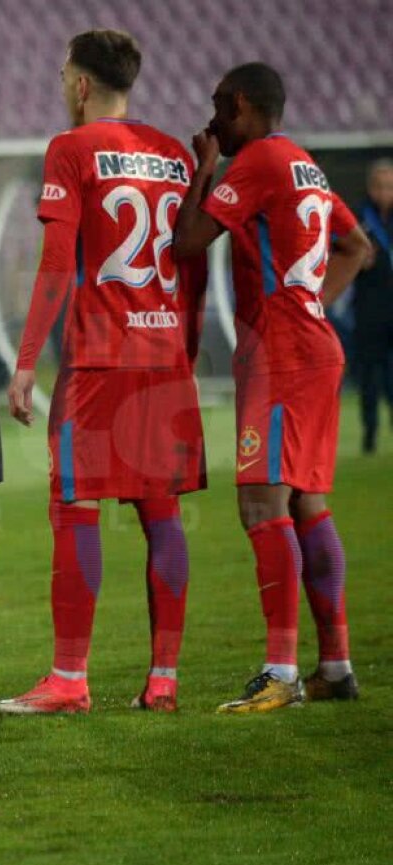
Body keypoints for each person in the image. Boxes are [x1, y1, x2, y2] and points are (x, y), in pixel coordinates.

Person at [0, 31, 207, 716]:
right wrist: (186, 351)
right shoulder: (175, 155)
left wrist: (26, 364)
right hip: (165, 357)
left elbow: (57, 263)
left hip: (99, 360)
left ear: (81, 84)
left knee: (74, 507)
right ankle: (164, 679)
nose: (61, 85)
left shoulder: (72, 148)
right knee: (162, 512)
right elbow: (193, 264)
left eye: (63, 74)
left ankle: (69, 680)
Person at [173, 62, 371, 712]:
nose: (212, 125)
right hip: (313, 349)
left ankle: (281, 671)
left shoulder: (255, 160)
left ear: (240, 105)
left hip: (282, 358)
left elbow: (189, 243)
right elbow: (358, 245)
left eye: (216, 112)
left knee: (263, 504)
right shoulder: (303, 163)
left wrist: (204, 167)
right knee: (307, 504)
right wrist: (312, 301)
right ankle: (335, 667)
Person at [353, 159, 393, 453]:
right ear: (370, 188)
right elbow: (336, 251)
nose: (384, 192)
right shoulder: (357, 217)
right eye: (379, 186)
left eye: (389, 186)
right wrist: (357, 261)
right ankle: (370, 435)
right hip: (367, 309)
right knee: (369, 376)